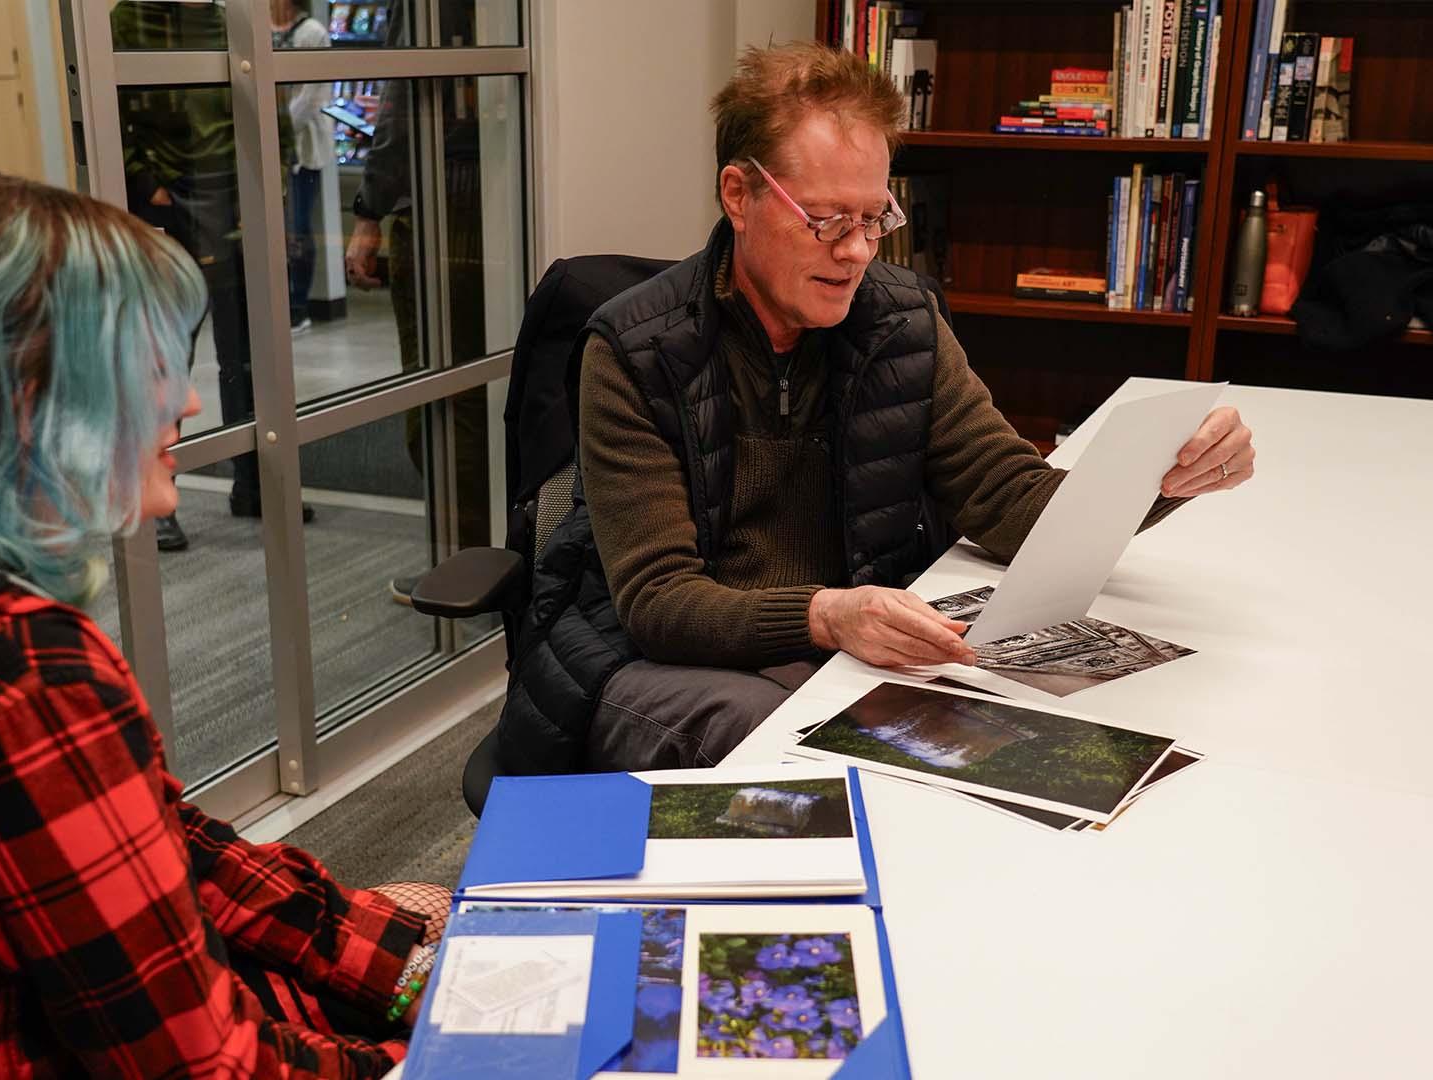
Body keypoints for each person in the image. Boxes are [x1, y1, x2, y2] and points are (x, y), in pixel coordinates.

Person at [0, 169, 448, 1077]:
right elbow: (205, 1070)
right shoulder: (22, 673)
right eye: (150, 366)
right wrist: (476, 1041)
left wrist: (402, 964)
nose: (186, 402)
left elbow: (161, 852)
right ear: (31, 405)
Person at [497, 43, 1258, 774]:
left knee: (1062, 736)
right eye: (827, 219)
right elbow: (660, 602)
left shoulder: (901, 321)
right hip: (663, 658)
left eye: (875, 218)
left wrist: (1160, 478)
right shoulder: (635, 351)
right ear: (739, 194)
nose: (858, 251)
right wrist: (828, 615)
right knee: (836, 754)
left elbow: (1010, 502)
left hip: (846, 650)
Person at [111, 0, 313, 552]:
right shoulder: (126, 19)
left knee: (247, 356)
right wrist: (145, 181)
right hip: (169, 209)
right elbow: (107, 112)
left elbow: (266, 108)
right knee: (166, 357)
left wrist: (273, 182)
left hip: (237, 204)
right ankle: (154, 501)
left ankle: (254, 486)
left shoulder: (229, 20)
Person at [343, 0, 490, 605]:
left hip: (437, 205)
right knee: (482, 386)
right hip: (494, 195)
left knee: (437, 392)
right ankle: (497, 554)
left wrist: (369, 209)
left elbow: (403, 103)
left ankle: (466, 568)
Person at [272, 0, 333, 335]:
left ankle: (298, 307)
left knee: (297, 226)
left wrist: (276, 128)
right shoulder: (252, 30)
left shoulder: (313, 33)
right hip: (265, 149)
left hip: (300, 151)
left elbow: (312, 96)